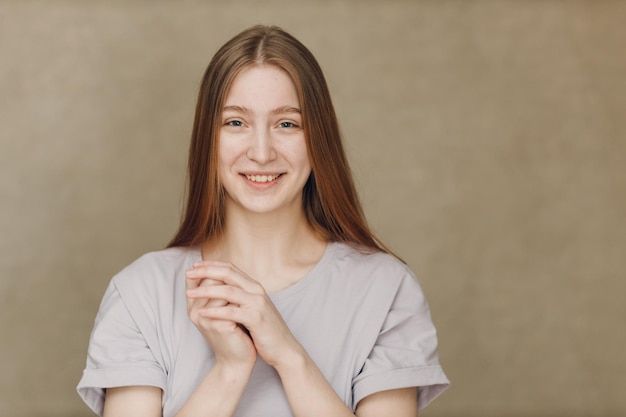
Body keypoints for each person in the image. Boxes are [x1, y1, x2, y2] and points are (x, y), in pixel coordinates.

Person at [77, 25, 449, 417]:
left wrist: (289, 357)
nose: (261, 152)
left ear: (318, 138)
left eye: (287, 123)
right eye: (235, 123)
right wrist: (230, 370)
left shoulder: (386, 292)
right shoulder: (140, 294)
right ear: (209, 139)